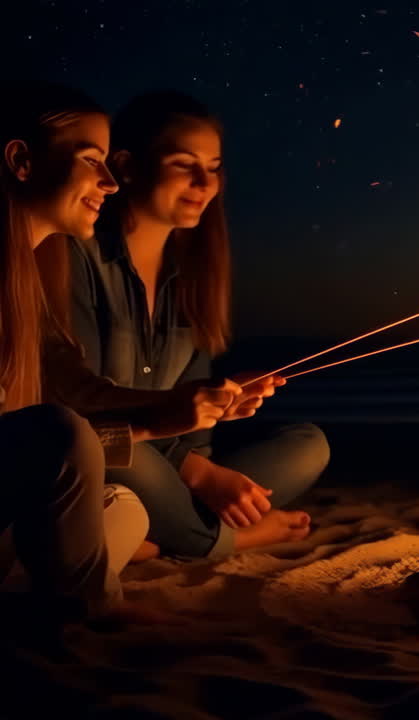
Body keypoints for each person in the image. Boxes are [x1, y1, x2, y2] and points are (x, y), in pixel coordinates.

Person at [52, 91, 328, 561]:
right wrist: (199, 474)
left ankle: (153, 538)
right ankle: (226, 539)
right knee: (125, 457)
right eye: (184, 165)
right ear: (128, 166)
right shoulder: (79, 255)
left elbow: (194, 433)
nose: (204, 183)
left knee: (308, 445)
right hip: (107, 450)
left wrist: (220, 402)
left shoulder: (193, 275)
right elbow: (85, 410)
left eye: (214, 168)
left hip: (168, 466)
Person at [1, 83, 232, 622]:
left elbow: (75, 429)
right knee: (61, 433)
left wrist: (162, 420)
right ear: (21, 161)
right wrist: (168, 424)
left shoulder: (34, 281)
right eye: (92, 160)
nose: (108, 182)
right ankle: (83, 606)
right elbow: (63, 425)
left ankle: (52, 584)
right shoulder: (73, 268)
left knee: (124, 505)